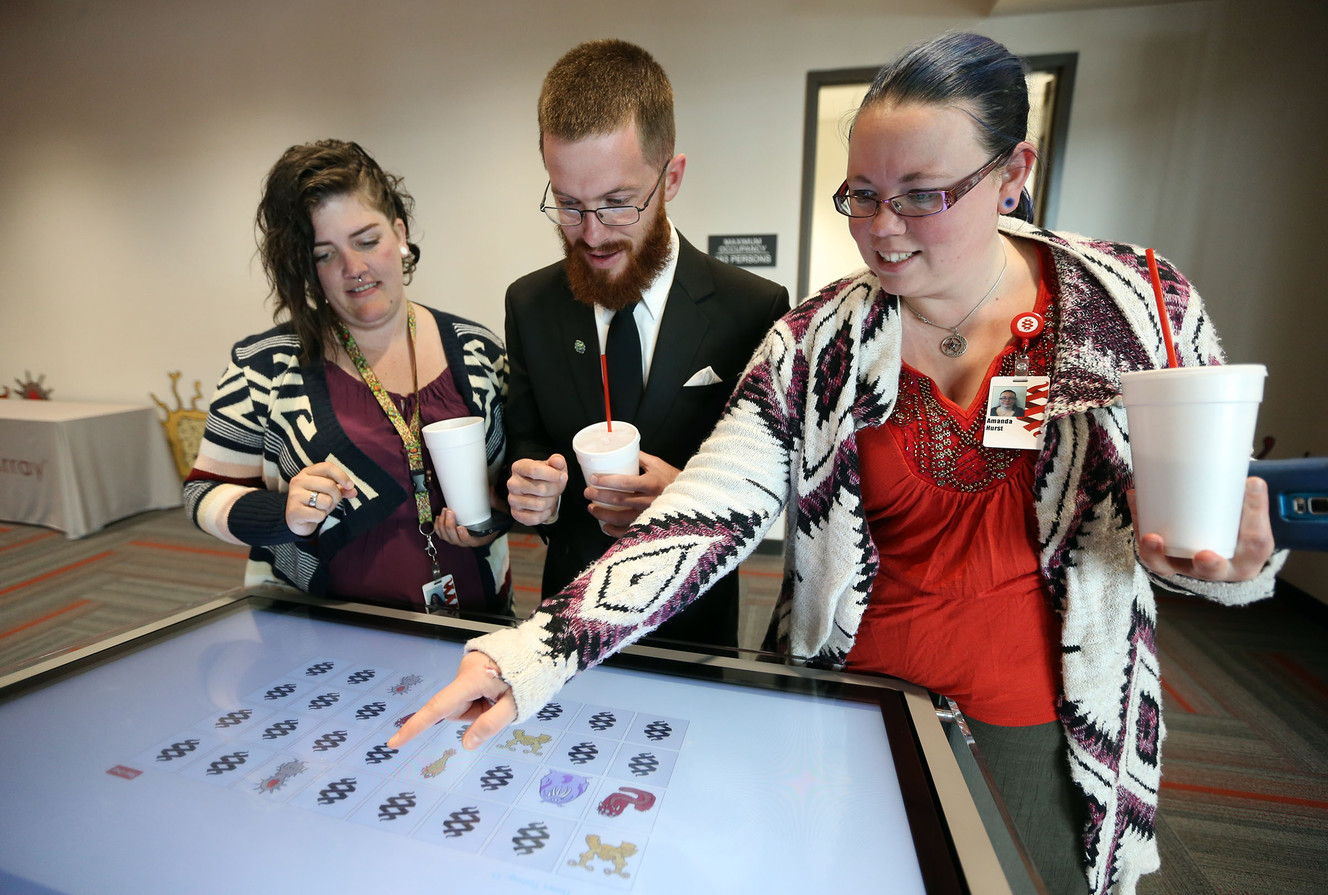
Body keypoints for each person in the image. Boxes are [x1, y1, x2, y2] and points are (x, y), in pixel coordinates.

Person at [390, 33, 1283, 895]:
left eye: (920, 194)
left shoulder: (1132, 305)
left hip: (1045, 717)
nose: (881, 230)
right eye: (859, 194)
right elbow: (701, 513)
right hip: (856, 704)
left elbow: (1186, 520)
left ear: (1015, 174)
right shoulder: (817, 342)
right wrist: (532, 654)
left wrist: (1220, 571)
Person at [502, 40, 789, 647]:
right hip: (565, 617)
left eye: (617, 205)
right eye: (569, 206)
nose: (592, 235)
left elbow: (771, 487)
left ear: (672, 177)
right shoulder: (529, 305)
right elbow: (527, 438)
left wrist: (682, 502)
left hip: (694, 618)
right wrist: (534, 485)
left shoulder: (752, 307)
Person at [185, 140, 511, 615]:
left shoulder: (478, 350)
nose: (353, 269)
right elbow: (202, 493)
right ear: (306, 268)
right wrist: (284, 514)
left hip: (477, 628)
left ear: (399, 234)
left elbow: (513, 483)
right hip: (322, 636)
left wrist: (499, 512)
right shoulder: (264, 365)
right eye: (325, 255)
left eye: (366, 240)